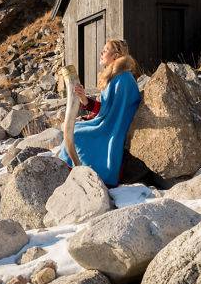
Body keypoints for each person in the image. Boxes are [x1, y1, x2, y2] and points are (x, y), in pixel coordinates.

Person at [58, 39, 141, 187]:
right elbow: (108, 109)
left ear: (115, 57)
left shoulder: (123, 80)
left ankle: (77, 176)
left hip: (112, 130)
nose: (101, 53)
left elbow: (114, 114)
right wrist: (85, 100)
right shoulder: (117, 78)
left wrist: (96, 116)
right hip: (108, 124)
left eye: (105, 50)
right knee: (76, 127)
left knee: (76, 134)